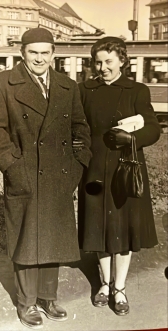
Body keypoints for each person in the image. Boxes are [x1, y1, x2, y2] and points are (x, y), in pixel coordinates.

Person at [0, 28, 91, 329]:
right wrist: (13, 167)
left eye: (45, 52)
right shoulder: (1, 83)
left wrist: (78, 163)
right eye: (33, 52)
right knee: (27, 238)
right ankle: (27, 302)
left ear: (53, 53)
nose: (40, 58)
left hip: (61, 174)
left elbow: (80, 129)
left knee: (54, 235)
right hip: (24, 173)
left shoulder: (68, 86)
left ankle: (48, 296)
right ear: (22, 53)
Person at [78, 36, 161, 316]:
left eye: (108, 61)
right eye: (98, 62)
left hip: (127, 168)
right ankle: (104, 283)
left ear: (122, 61)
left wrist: (132, 137)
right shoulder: (85, 90)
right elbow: (78, 129)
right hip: (95, 169)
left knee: (123, 229)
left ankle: (120, 287)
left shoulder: (137, 90)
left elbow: (153, 128)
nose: (103, 68)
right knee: (100, 227)